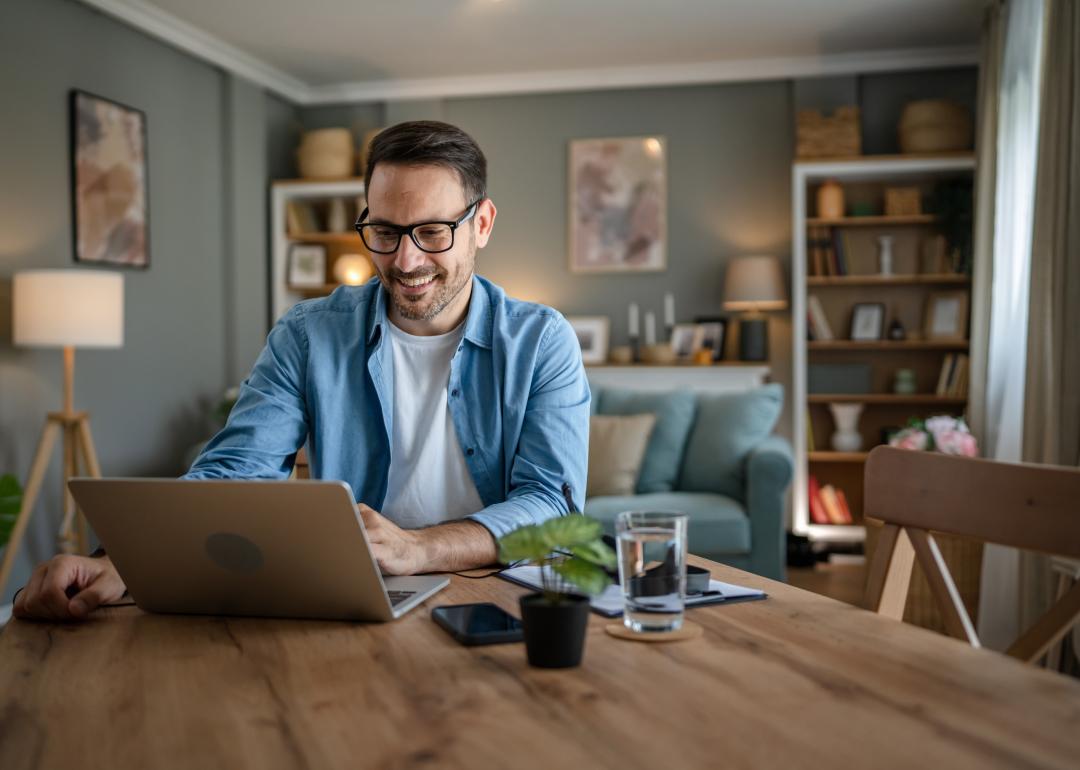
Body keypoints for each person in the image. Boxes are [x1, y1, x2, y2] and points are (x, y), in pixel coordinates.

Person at [14, 121, 590, 621]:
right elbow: (236, 470)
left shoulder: (541, 341)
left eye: (433, 232)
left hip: (502, 599)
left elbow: (552, 502)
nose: (406, 261)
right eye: (385, 232)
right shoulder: (309, 333)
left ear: (482, 224)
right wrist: (118, 563)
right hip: (356, 599)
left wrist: (420, 548)